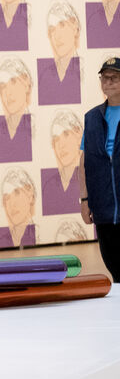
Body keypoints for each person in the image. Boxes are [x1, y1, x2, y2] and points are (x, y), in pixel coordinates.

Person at [79, 57, 120, 280]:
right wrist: (84, 200)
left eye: (114, 77)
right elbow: (84, 161)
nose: (108, 82)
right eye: (105, 78)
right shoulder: (92, 118)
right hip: (103, 207)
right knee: (114, 264)